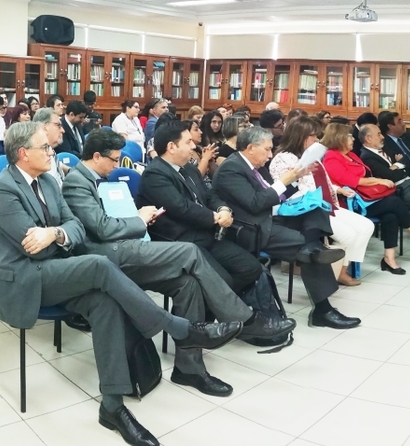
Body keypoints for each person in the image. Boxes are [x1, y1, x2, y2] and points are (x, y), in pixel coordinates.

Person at [0, 122, 243, 445]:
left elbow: (74, 227)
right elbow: (36, 249)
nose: (52, 153)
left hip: (55, 269)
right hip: (24, 278)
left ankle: (112, 405)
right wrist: (58, 236)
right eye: (45, 148)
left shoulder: (49, 183)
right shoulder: (2, 189)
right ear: (23, 154)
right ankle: (179, 328)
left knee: (104, 303)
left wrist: (56, 232)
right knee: (98, 264)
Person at [63, 129, 292, 397]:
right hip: (106, 253)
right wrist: (138, 219)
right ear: (96, 156)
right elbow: (101, 229)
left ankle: (189, 368)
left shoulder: (101, 179)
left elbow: (206, 197)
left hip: (129, 243)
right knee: (189, 252)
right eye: (113, 160)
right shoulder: (77, 182)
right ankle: (246, 318)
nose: (116, 166)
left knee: (189, 284)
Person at [214, 126, 361, 329]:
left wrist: (296, 179)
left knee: (315, 208)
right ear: (250, 148)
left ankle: (313, 249)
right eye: (266, 149)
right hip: (252, 227)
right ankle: (322, 309)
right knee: (308, 248)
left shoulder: (256, 167)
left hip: (272, 217)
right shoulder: (231, 169)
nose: (270, 154)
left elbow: (276, 196)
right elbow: (255, 203)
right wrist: (286, 180)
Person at [139, 121, 265, 293]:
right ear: (171, 147)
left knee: (251, 267)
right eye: (188, 142)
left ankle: (216, 307)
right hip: (181, 241)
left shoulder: (188, 168)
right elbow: (181, 207)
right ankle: (222, 310)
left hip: (206, 234)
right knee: (222, 280)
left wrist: (223, 209)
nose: (193, 146)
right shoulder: (155, 174)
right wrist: (215, 217)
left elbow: (209, 194)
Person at [322, 123, 410, 273]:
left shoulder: (350, 155)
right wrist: (379, 181)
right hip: (350, 203)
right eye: (349, 136)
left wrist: (377, 181)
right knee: (394, 202)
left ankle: (389, 258)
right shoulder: (331, 158)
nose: (353, 139)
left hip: (365, 197)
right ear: (339, 137)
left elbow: (366, 175)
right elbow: (352, 180)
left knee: (391, 215)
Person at [270, 116, 373, 286]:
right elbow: (286, 190)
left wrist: (337, 189)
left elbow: (321, 181)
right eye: (313, 136)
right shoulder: (283, 159)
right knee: (348, 235)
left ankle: (342, 269)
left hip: (325, 203)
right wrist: (298, 176)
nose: (317, 140)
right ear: (301, 136)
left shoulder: (312, 155)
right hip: (306, 210)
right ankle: (336, 273)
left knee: (366, 226)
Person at [32, 108, 67, 186]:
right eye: (58, 125)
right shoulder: (37, 156)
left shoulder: (50, 150)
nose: (62, 130)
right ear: (44, 127)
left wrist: (69, 169)